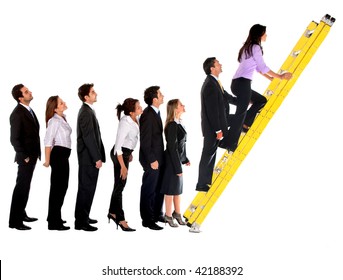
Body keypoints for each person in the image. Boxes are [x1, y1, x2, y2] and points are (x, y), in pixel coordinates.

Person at [226, 24, 293, 151]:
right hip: (242, 83)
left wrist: (271, 78)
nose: (266, 35)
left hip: (237, 83)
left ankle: (243, 125)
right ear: (260, 34)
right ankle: (234, 136)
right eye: (265, 33)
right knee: (244, 112)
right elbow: (262, 67)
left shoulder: (247, 47)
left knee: (260, 101)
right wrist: (280, 76)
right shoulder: (256, 47)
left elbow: (256, 68)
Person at [196, 57, 236, 192]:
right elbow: (212, 111)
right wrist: (218, 130)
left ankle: (226, 143)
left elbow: (226, 97)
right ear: (212, 68)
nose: (221, 64)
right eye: (218, 63)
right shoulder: (209, 85)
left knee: (210, 152)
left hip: (220, 122)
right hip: (213, 127)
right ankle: (201, 184)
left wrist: (241, 102)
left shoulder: (215, 82)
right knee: (208, 154)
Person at [107, 98, 143, 232]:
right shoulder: (125, 122)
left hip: (126, 153)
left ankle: (112, 212)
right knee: (120, 187)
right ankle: (121, 219)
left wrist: (131, 152)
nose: (141, 108)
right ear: (132, 111)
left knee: (118, 185)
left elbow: (130, 139)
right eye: (138, 107)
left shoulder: (135, 119)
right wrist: (123, 166)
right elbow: (118, 147)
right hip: (119, 155)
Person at [9, 84, 41, 230]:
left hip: (32, 156)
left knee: (25, 187)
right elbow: (14, 139)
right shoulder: (17, 113)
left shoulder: (27, 109)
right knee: (21, 188)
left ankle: (21, 213)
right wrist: (24, 156)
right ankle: (15, 222)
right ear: (20, 98)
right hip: (26, 157)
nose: (30, 92)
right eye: (26, 92)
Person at [74, 83, 106, 231]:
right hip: (88, 159)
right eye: (93, 92)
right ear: (86, 97)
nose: (96, 93)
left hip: (89, 158)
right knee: (86, 189)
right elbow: (88, 137)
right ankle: (81, 222)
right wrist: (96, 158)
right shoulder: (86, 112)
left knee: (88, 189)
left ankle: (84, 216)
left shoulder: (88, 110)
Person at [43, 96, 72, 231]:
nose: (64, 103)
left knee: (62, 187)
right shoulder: (54, 121)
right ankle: (54, 222)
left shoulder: (62, 118)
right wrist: (47, 160)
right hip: (58, 156)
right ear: (55, 108)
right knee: (58, 189)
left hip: (63, 156)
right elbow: (48, 141)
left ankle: (54, 216)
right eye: (61, 103)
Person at [160, 99, 190, 227]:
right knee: (170, 190)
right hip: (172, 162)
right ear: (175, 109)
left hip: (176, 160)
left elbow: (181, 145)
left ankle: (177, 213)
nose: (183, 105)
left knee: (177, 190)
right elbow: (172, 148)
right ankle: (167, 215)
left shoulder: (179, 123)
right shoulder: (172, 125)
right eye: (181, 105)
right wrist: (178, 168)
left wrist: (185, 159)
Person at [139, 86, 165, 230]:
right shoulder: (148, 114)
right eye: (160, 94)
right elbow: (145, 140)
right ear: (154, 99)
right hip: (152, 159)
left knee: (158, 187)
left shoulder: (156, 112)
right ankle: (147, 220)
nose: (163, 96)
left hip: (158, 158)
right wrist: (151, 160)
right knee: (149, 189)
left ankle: (156, 214)